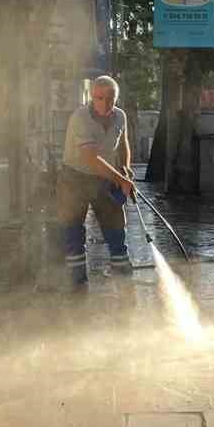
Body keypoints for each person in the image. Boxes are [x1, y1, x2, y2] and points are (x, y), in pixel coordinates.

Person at [58, 75, 135, 289]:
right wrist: (120, 179)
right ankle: (78, 286)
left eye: (109, 98)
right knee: (73, 232)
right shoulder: (80, 117)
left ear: (115, 98)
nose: (104, 103)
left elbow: (123, 144)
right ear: (92, 96)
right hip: (74, 179)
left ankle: (123, 279)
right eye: (99, 98)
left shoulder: (120, 117)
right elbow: (90, 159)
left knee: (116, 227)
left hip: (105, 177)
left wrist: (125, 169)